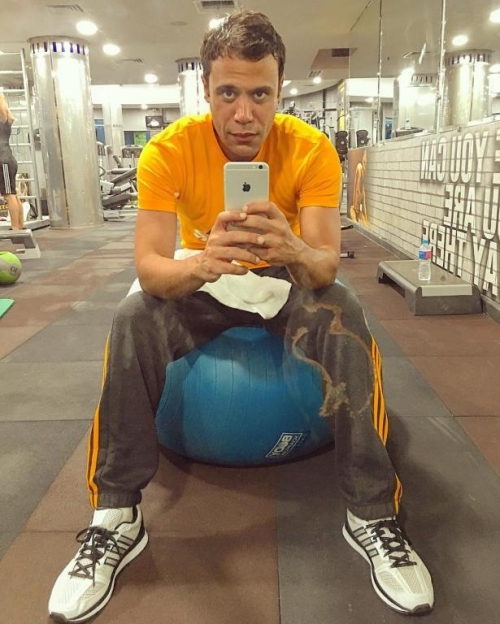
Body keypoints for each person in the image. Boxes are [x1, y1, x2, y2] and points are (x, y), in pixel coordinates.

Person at [48, 10, 434, 623]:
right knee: (132, 317)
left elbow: (324, 266)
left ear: (280, 92)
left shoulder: (310, 149)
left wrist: (291, 249)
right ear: (206, 90)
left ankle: (372, 513)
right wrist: (204, 263)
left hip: (285, 277)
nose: (244, 113)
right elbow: (150, 266)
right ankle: (116, 513)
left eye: (260, 94)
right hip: (206, 277)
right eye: (228, 93)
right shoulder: (167, 151)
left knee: (346, 312)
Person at [0, 92, 24, 230]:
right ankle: (19, 225)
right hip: (7, 160)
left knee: (9, 195)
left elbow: (2, 107)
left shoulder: (2, 120)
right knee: (12, 194)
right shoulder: (6, 120)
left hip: (3, 161)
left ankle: (15, 227)